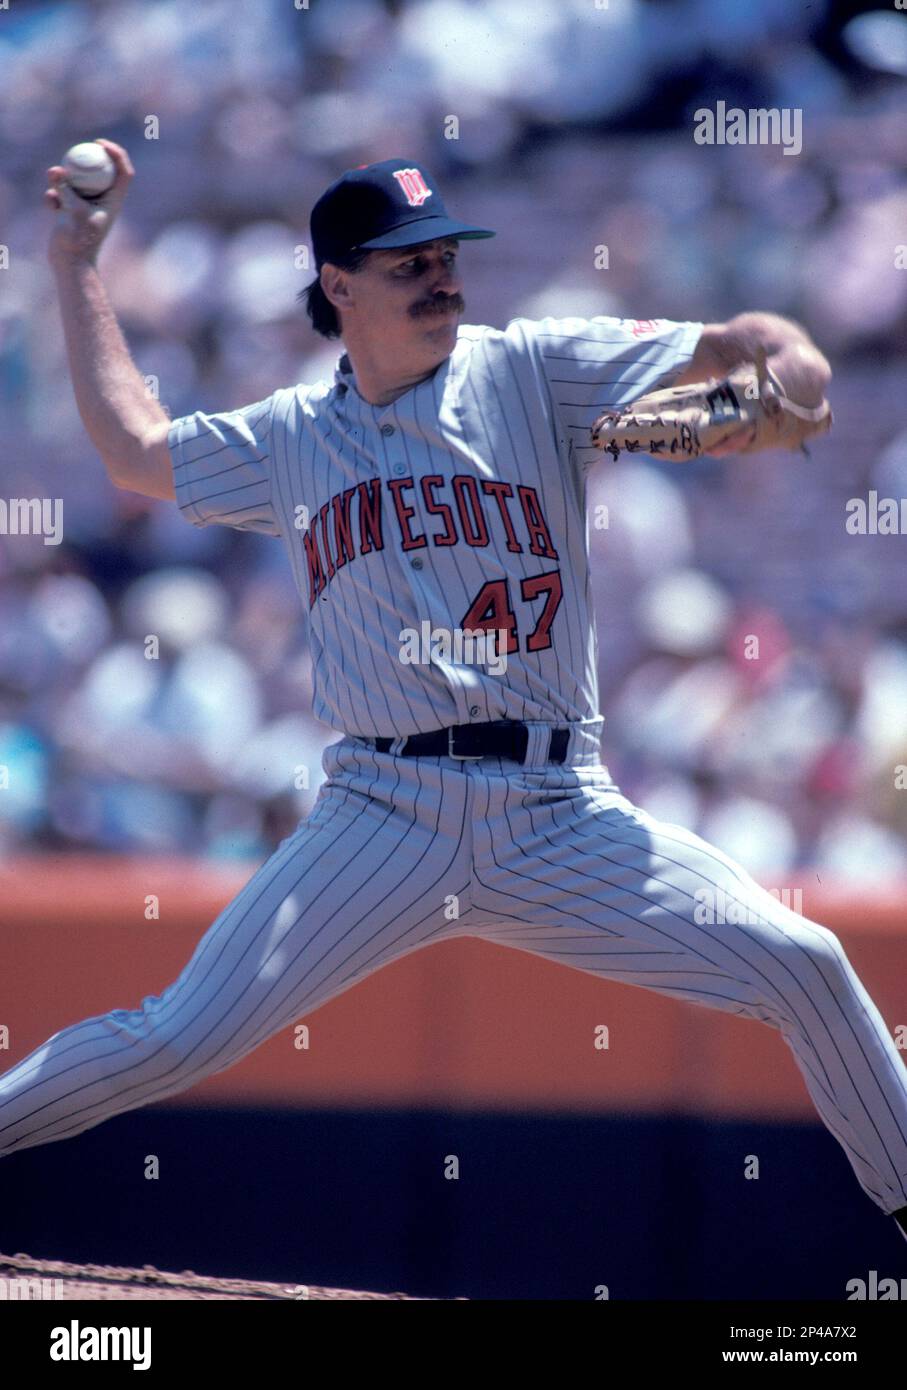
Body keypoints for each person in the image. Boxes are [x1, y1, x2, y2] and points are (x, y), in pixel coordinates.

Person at [3, 141, 906, 1261]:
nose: (440, 276)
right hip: (380, 809)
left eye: (445, 255)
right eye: (404, 263)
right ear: (337, 286)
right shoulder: (292, 439)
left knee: (804, 965)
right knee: (174, 1036)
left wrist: (783, 373)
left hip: (556, 809)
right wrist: (78, 259)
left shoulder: (535, 368)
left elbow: (762, 364)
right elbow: (134, 448)